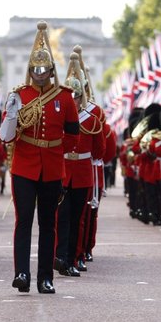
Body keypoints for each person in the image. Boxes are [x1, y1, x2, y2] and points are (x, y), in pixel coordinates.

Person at [0, 21, 79, 294]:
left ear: (51, 70)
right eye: (36, 69)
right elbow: (6, 136)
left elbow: (73, 135)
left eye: (44, 70)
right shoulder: (20, 95)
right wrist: (10, 115)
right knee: (23, 222)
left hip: (52, 167)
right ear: (30, 70)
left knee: (48, 224)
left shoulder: (64, 97)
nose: (40, 74)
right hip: (24, 165)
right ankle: (22, 272)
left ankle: (45, 277)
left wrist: (54, 149)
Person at [54, 52, 105, 277]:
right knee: (61, 217)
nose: (73, 99)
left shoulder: (92, 118)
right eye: (70, 96)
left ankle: (73, 258)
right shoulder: (58, 115)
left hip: (83, 173)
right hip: (63, 171)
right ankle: (60, 257)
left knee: (78, 219)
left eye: (76, 96)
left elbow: (99, 150)